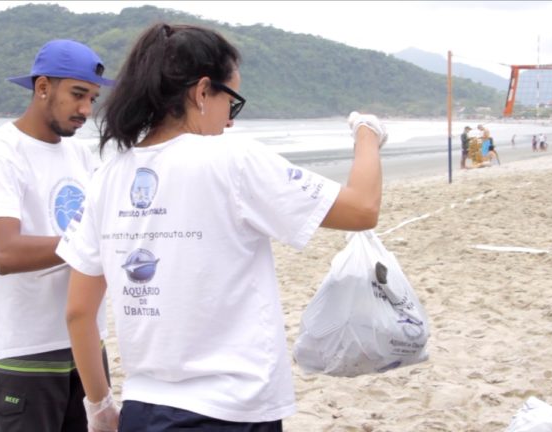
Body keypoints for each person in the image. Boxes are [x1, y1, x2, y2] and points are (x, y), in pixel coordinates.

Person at [56, 23, 387, 432]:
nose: (230, 120)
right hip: (233, 410)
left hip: (144, 408)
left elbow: (78, 311)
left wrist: (101, 407)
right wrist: (368, 135)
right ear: (201, 91)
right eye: (231, 101)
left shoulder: (106, 176)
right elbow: (362, 208)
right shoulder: (233, 160)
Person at [0, 39, 114, 432]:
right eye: (78, 95)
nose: (86, 110)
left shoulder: (81, 155)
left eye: (93, 98)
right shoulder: (0, 152)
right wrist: (96, 245)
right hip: (25, 351)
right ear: (43, 86)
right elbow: (5, 253)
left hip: (86, 345)